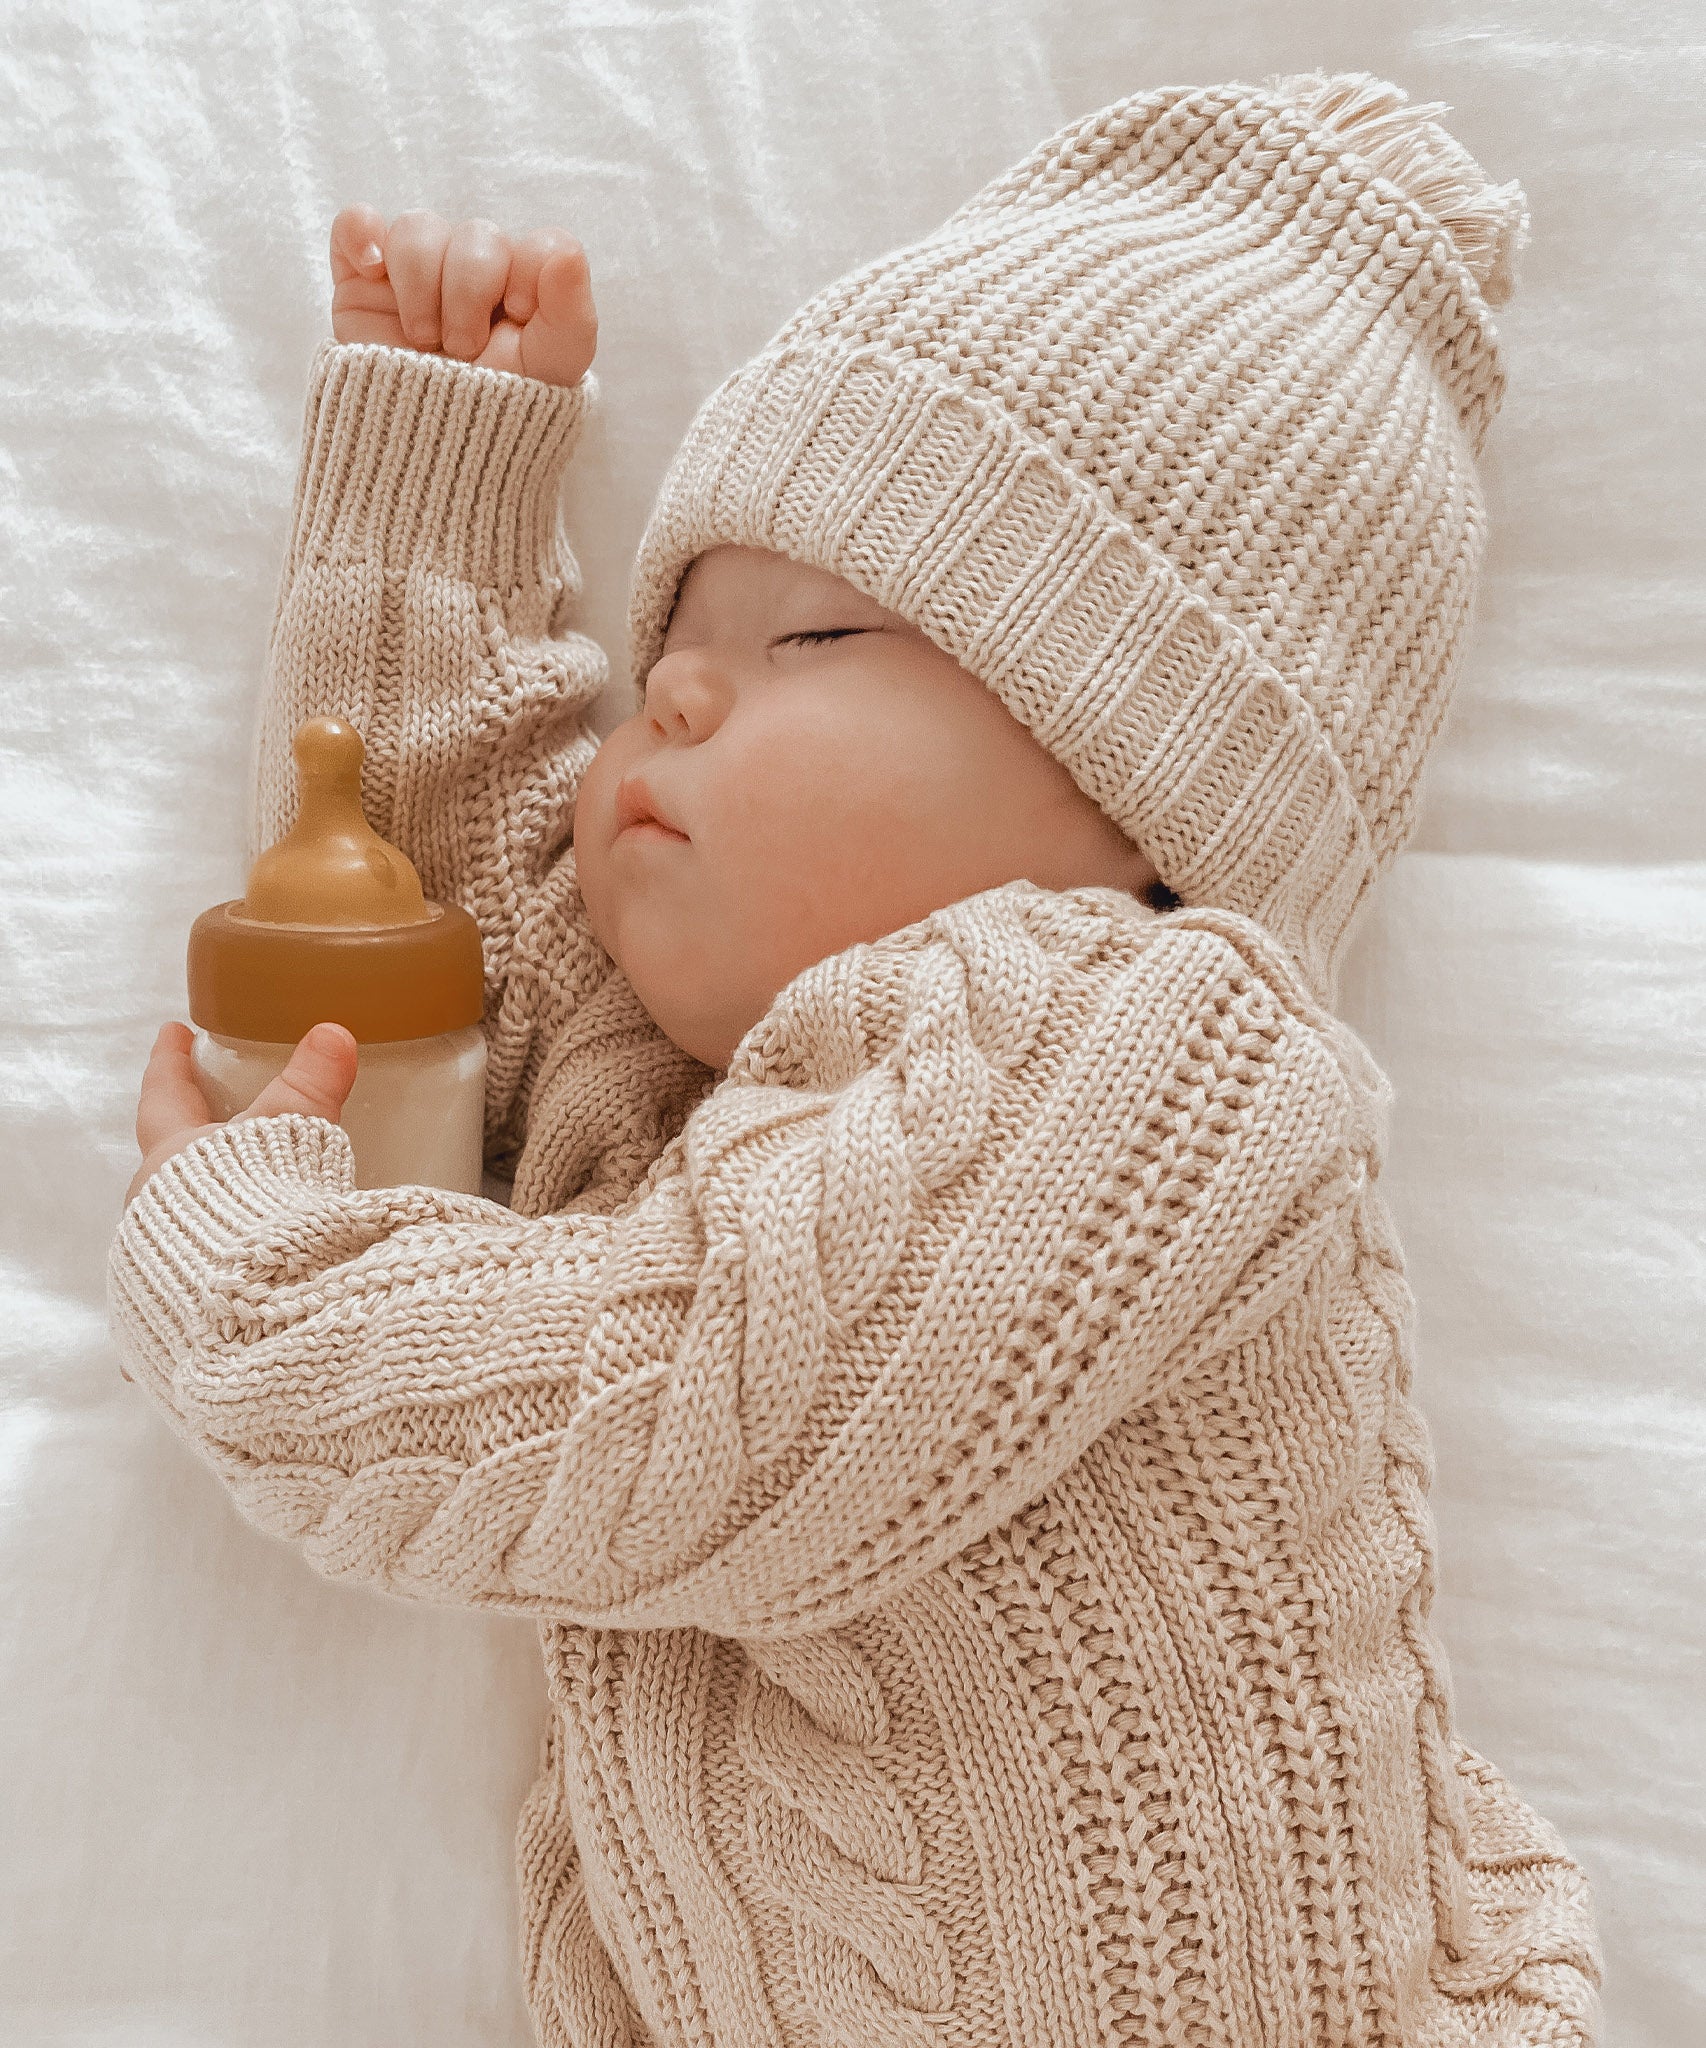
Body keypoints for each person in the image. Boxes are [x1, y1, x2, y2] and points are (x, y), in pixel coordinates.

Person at [110, 70, 1604, 2047]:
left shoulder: (1161, 1044)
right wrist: (440, 492)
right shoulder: (713, 1115)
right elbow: (424, 933)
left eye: (811, 645)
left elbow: (668, 1405)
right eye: (656, 676)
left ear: (1139, 789)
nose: (677, 703)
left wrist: (249, 1285)